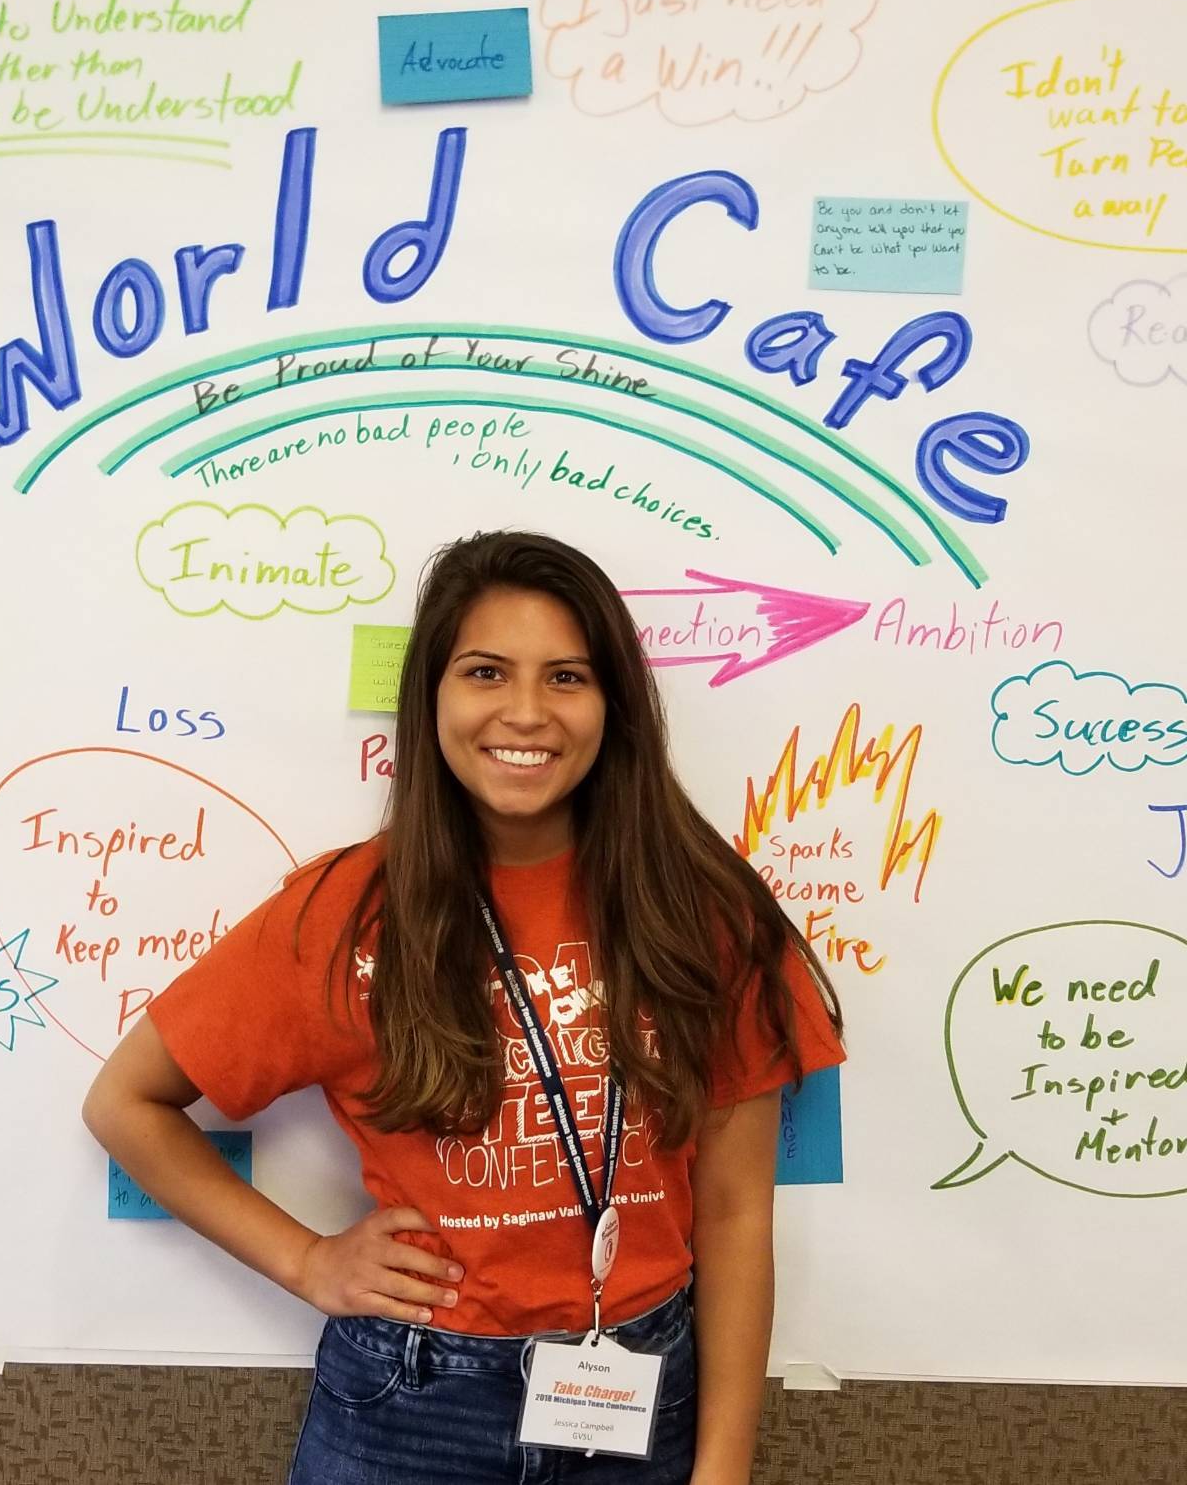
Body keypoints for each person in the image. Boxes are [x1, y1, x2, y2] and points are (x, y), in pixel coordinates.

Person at [83, 529, 845, 1483]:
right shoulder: (346, 914)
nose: (525, 711)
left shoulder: (702, 910)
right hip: (411, 1408)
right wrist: (306, 1259)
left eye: (566, 677)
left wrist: (725, 1463)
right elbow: (125, 1103)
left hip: (646, 1394)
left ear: (615, 704)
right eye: (486, 671)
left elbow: (735, 1209)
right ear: (432, 695)